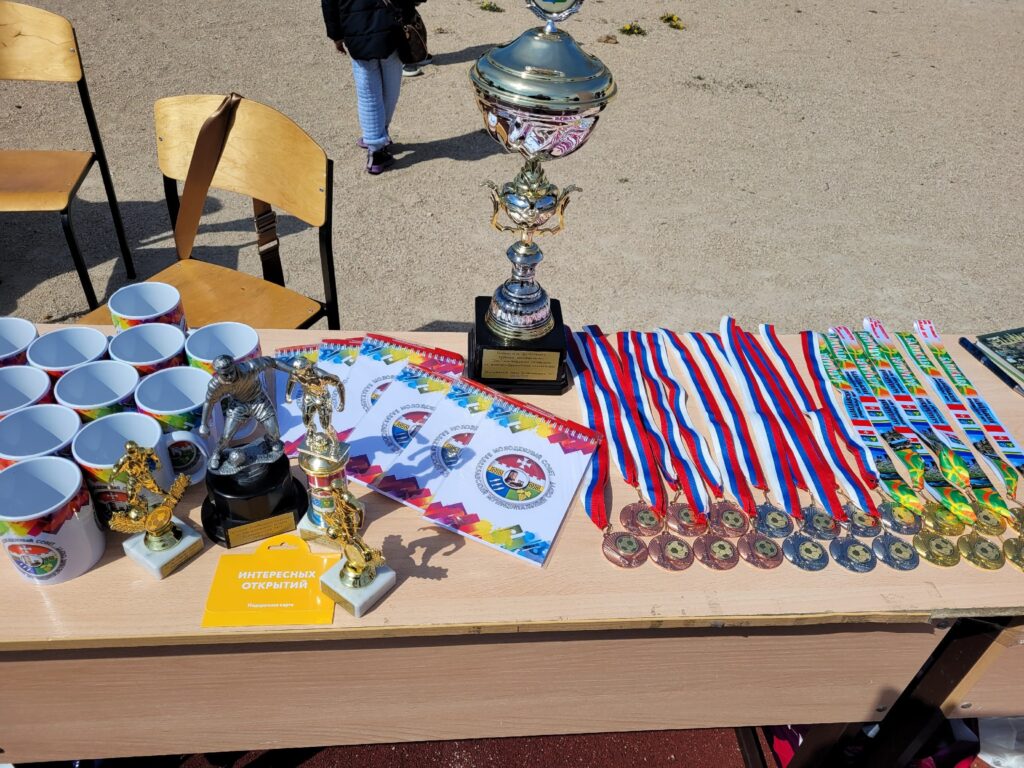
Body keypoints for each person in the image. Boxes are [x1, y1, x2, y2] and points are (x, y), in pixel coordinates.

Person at [321, 0, 413, 174]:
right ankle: (381, 132)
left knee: (368, 93)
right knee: (391, 85)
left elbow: (329, 3)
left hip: (356, 28)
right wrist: (408, 16)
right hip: (390, 26)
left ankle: (375, 147)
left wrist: (336, 35)